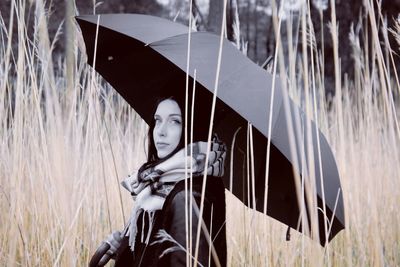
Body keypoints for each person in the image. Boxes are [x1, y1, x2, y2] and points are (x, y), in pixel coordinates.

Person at [90, 95, 227, 267]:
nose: (160, 131)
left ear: (194, 127)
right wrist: (125, 249)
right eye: (157, 120)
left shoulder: (188, 197)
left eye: (174, 121)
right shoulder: (165, 184)